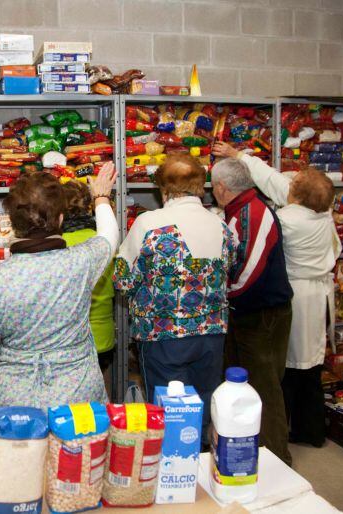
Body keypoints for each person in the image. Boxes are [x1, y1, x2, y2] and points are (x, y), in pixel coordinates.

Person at [0, 163, 119, 410]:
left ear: (12, 222)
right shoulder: (81, 261)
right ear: (60, 218)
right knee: (77, 450)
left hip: (16, 403)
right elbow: (109, 236)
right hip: (76, 398)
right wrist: (101, 196)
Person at [213, 142, 340, 448]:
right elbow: (276, 181)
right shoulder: (323, 213)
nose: (289, 181)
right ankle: (310, 431)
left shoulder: (287, 220)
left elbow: (272, 196)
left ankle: (281, 436)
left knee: (280, 370)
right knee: (310, 366)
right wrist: (239, 156)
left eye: (294, 182)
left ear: (297, 197)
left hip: (296, 294)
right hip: (319, 294)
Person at [113, 154, 236, 440]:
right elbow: (230, 269)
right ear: (200, 187)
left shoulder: (150, 223)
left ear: (163, 190)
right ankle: (201, 465)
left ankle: (171, 473)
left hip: (163, 335)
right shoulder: (221, 226)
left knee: (168, 410)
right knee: (204, 404)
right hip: (212, 333)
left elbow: (122, 278)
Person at [211, 156, 294, 466]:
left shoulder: (253, 214)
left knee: (264, 388)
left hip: (262, 314)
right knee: (239, 384)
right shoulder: (238, 211)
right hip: (244, 311)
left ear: (221, 187)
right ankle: (243, 451)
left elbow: (247, 273)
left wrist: (218, 296)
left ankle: (277, 460)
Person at [60, 180, 116, 389]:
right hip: (103, 337)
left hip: (69, 341)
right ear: (89, 207)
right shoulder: (105, 240)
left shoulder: (56, 244)